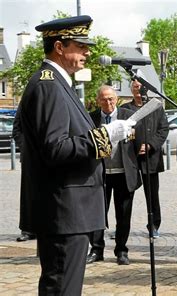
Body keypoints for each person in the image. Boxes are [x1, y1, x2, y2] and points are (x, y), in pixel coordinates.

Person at [17, 16, 134, 294]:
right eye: (80, 46)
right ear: (59, 46)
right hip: (64, 211)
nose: (87, 52)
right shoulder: (49, 85)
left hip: (69, 211)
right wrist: (106, 136)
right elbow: (55, 148)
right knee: (62, 288)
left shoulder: (59, 83)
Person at [86, 85, 142, 265]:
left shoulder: (128, 116)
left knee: (123, 215)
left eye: (111, 99)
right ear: (98, 101)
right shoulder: (91, 118)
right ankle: (96, 249)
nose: (108, 102)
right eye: (103, 99)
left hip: (124, 173)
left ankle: (121, 250)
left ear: (116, 99)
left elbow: (139, 141)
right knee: (96, 213)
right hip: (100, 174)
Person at [122, 79, 169, 238]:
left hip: (150, 158)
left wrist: (150, 145)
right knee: (126, 196)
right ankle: (122, 227)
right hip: (130, 159)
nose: (138, 89)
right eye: (135, 87)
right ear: (131, 89)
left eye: (141, 87)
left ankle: (154, 225)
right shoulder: (125, 109)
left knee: (152, 195)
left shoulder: (155, 107)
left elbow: (163, 129)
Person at [12, 106, 37, 243]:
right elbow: (16, 130)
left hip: (51, 155)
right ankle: (28, 229)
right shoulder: (25, 105)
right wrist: (27, 148)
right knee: (29, 193)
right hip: (30, 158)